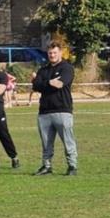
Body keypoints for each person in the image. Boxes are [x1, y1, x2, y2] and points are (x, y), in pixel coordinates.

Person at [31, 43, 77, 176]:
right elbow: (36, 86)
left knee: (68, 140)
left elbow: (59, 84)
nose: (52, 55)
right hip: (44, 111)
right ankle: (46, 166)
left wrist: (42, 83)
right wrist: (48, 82)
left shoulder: (67, 68)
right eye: (50, 53)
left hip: (62, 110)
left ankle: (72, 166)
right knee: (46, 143)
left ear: (61, 53)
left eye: (54, 53)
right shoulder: (43, 69)